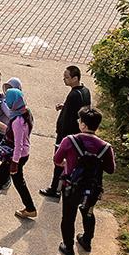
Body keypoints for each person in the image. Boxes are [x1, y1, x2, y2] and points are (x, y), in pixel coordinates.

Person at [55, 107, 115, 255]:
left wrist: (66, 164)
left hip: (71, 186)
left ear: (82, 124)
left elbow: (57, 159)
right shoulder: (106, 148)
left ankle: (68, 247)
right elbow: (110, 169)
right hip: (93, 188)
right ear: (97, 125)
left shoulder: (69, 140)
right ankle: (86, 240)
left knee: (68, 217)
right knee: (88, 212)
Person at [0, 87, 37, 218]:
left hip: (16, 156)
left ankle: (30, 208)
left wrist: (14, 163)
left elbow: (18, 144)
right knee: (1, 176)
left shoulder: (17, 121)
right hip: (20, 154)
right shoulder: (25, 112)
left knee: (17, 181)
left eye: (8, 100)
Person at [42, 65, 93, 199]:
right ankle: (62, 187)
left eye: (67, 77)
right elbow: (79, 110)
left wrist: (61, 133)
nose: (64, 79)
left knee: (59, 162)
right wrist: (64, 106)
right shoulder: (85, 91)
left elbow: (69, 118)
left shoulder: (74, 95)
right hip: (76, 135)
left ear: (75, 78)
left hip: (66, 135)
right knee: (69, 162)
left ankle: (54, 189)